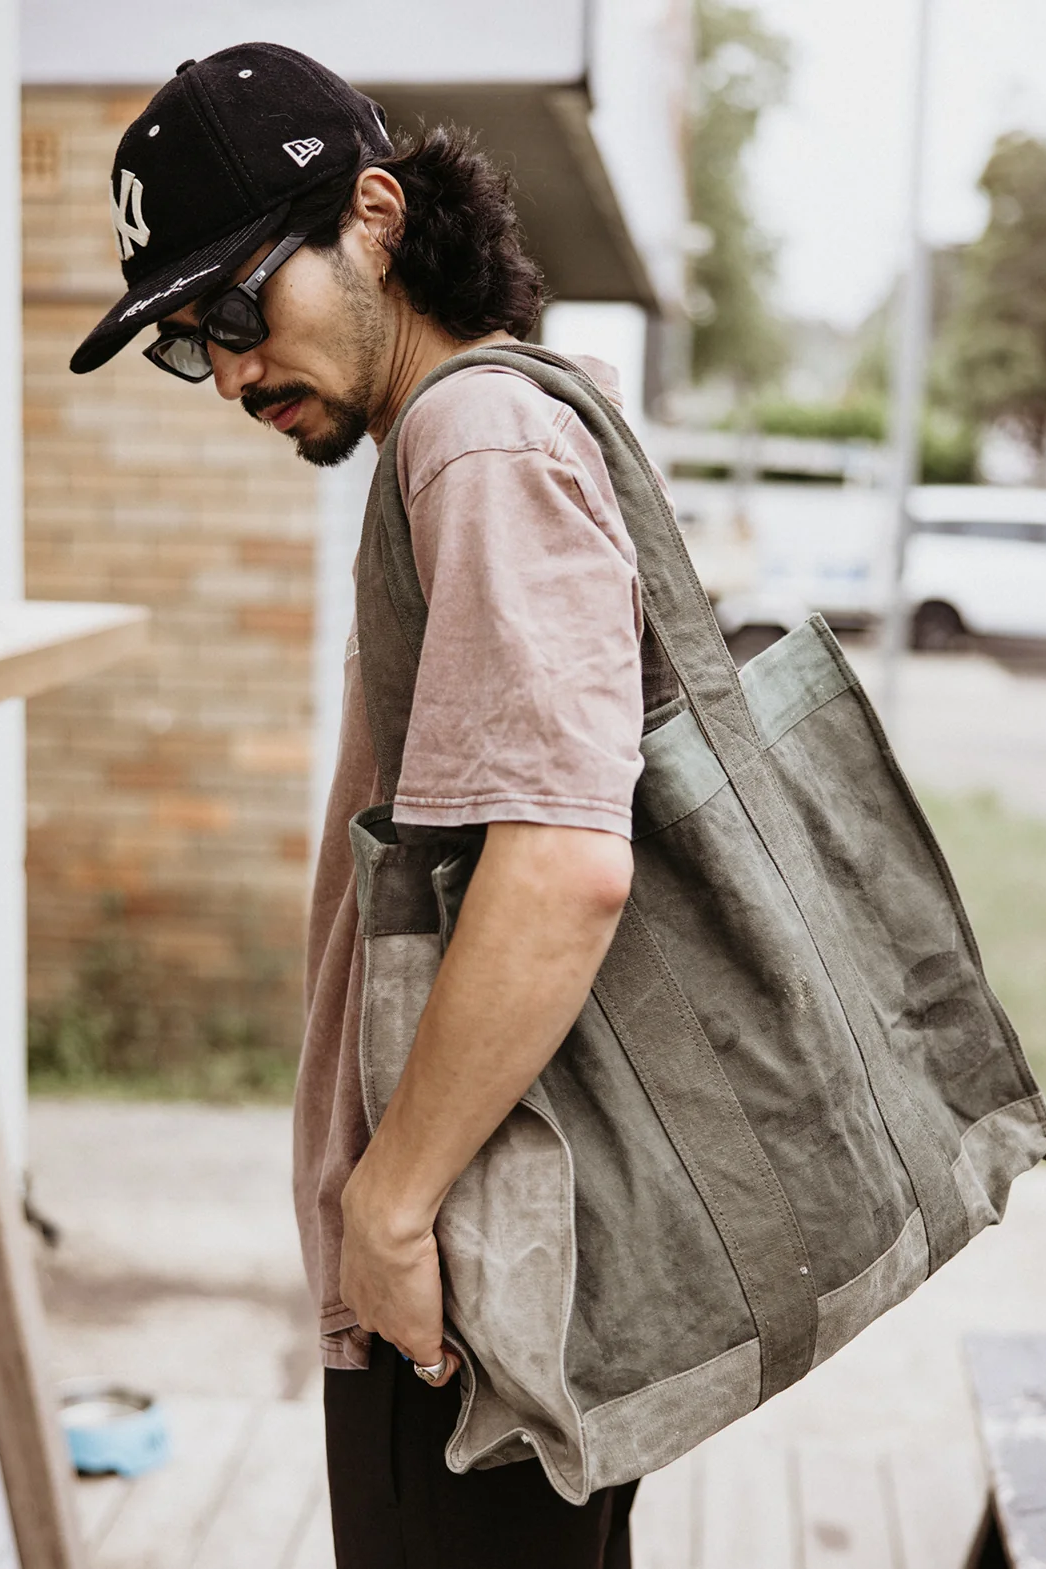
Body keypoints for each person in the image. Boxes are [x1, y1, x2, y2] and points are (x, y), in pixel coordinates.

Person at [72, 42, 648, 1568]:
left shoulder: (475, 437)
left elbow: (561, 860)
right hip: (497, 1240)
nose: (235, 369)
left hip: (468, 1262)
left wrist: (389, 1211)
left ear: (374, 216)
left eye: (241, 306)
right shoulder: (475, 436)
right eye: (190, 343)